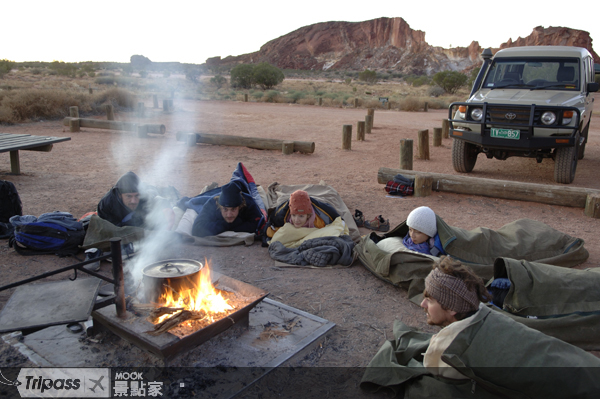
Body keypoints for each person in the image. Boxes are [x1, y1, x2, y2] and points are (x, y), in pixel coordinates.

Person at [97, 171, 174, 229]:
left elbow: (156, 197)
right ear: (120, 195)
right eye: (128, 196)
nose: (133, 201)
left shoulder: (143, 193)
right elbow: (113, 230)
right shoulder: (106, 205)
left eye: (136, 196)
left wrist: (166, 207)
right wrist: (136, 220)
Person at [191, 181, 263, 237]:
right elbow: (197, 229)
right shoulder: (212, 203)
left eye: (233, 209)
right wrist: (230, 225)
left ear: (240, 207)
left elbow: (257, 225)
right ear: (219, 206)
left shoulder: (249, 203)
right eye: (225, 209)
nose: (229, 215)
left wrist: (219, 227)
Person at [265, 190, 341, 238]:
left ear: (308, 215)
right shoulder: (282, 218)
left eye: (301, 216)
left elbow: (337, 225)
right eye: (294, 215)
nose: (296, 220)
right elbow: (271, 229)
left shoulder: (319, 222)